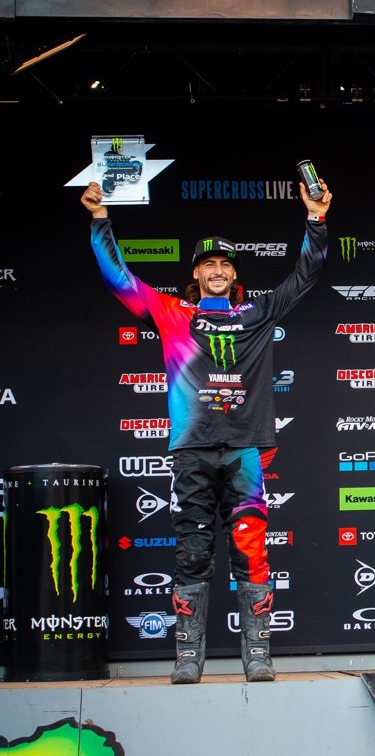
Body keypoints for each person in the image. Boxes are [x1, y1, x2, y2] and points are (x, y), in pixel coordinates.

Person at [81, 177, 331, 683]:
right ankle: (187, 659)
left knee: (251, 552)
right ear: (195, 273)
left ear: (234, 274)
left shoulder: (260, 311)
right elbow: (120, 280)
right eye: (208, 264)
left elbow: (307, 272)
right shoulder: (172, 312)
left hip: (245, 451)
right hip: (192, 451)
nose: (217, 270)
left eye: (225, 264)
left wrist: (317, 218)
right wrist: (100, 220)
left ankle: (257, 656)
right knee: (192, 554)